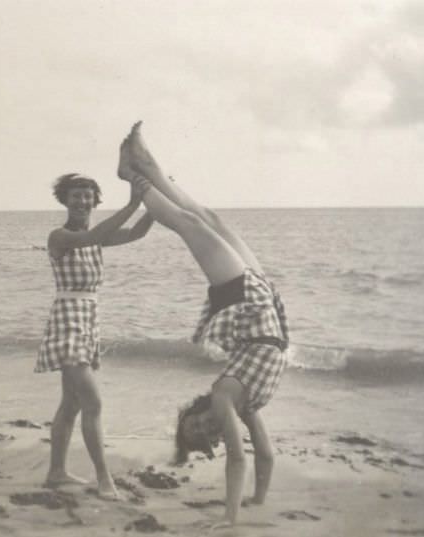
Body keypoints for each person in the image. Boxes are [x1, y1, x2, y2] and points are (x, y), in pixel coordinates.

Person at [118, 122, 289, 526]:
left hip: (245, 302)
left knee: (193, 223)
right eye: (205, 434)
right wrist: (257, 501)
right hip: (262, 301)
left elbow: (237, 458)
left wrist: (229, 521)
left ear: (193, 413)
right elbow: (261, 454)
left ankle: (136, 173)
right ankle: (141, 167)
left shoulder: (223, 397)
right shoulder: (245, 407)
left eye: (195, 424)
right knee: (204, 218)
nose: (207, 426)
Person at [36, 172, 153, 500]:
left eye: (88, 196)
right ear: (65, 200)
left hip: (88, 319)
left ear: (96, 200)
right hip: (67, 321)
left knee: (71, 403)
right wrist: (133, 201)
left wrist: (155, 201)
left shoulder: (96, 237)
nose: (82, 202)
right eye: (76, 196)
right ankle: (104, 480)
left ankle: (56, 473)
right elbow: (98, 234)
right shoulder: (59, 236)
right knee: (93, 402)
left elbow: (137, 233)